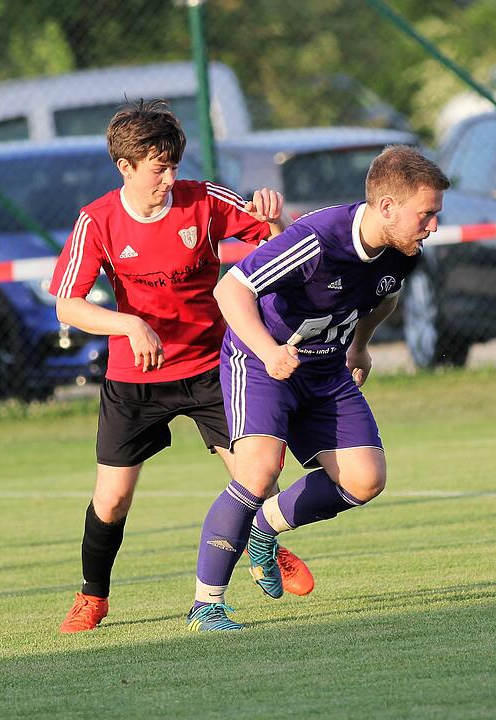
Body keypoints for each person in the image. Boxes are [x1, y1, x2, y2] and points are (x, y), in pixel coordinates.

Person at [49, 99, 315, 633]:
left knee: (255, 478)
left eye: (173, 165)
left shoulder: (204, 200)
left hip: (212, 366)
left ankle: (265, 544)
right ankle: (92, 596)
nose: (169, 178)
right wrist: (129, 324)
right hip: (136, 379)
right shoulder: (96, 221)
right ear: (124, 166)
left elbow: (278, 244)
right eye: (157, 168)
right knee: (114, 497)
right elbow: (67, 305)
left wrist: (273, 217)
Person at [185, 146, 450, 631]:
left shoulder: (402, 250)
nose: (433, 226)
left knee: (365, 480)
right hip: (262, 363)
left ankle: (265, 526)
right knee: (258, 471)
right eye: (426, 214)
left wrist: (360, 347)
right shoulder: (316, 239)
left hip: (327, 370)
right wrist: (268, 351)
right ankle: (206, 604)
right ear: (387, 207)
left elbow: (383, 298)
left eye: (435, 215)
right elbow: (231, 290)